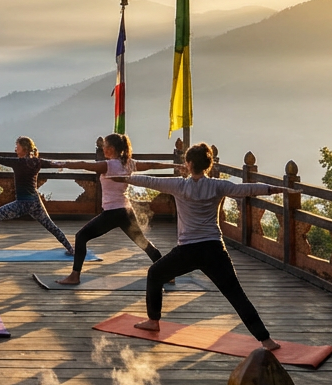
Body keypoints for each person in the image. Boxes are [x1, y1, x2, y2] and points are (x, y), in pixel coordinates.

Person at [109, 143, 297, 351]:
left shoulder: (178, 185)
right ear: (209, 165)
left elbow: (149, 181)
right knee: (236, 295)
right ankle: (266, 340)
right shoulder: (217, 186)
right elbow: (246, 189)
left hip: (188, 251)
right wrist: (277, 189)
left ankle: (153, 321)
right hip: (214, 249)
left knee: (155, 273)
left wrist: (121, 178)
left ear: (189, 164)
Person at [56, 133, 174, 285]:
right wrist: (176, 166)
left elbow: (85, 164)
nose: (103, 149)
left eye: (105, 146)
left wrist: (62, 164)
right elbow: (153, 165)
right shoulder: (129, 163)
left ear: (111, 148)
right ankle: (168, 274)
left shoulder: (108, 165)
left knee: (81, 237)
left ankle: (74, 276)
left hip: (113, 212)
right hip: (126, 211)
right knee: (143, 243)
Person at [0, 136, 73, 258]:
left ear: (24, 148)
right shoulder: (37, 162)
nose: (15, 149)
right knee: (51, 226)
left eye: (17, 147)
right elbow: (54, 163)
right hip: (35, 202)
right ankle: (71, 249)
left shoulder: (18, 162)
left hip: (22, 203)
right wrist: (68, 164)